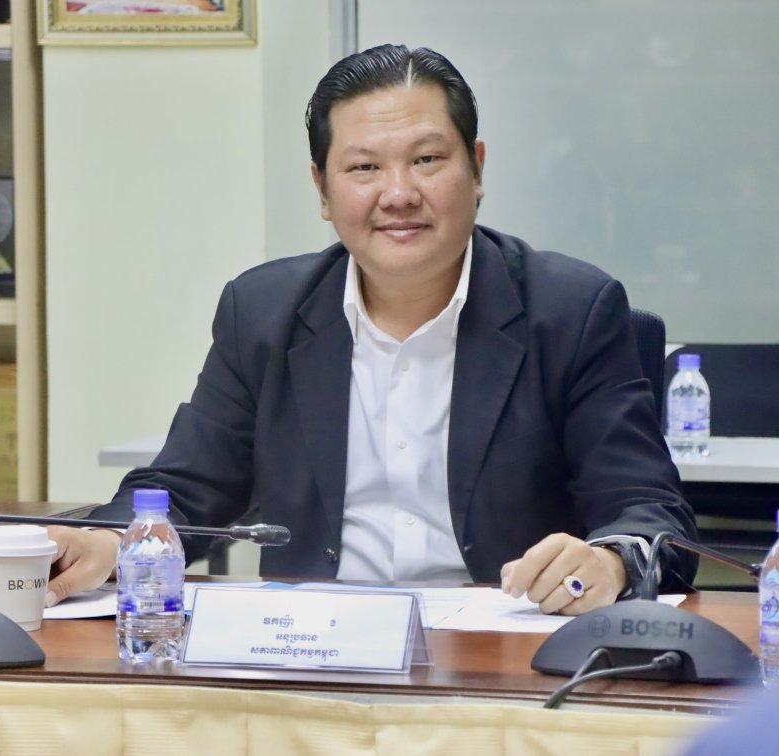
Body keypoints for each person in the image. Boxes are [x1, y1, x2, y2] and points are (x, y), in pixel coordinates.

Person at [45, 44, 697, 615]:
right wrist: (106, 540)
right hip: (314, 652)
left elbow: (650, 513)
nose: (399, 193)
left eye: (427, 159)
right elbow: (187, 489)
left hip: (507, 654)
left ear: (477, 169)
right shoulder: (263, 312)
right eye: (364, 168)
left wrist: (609, 562)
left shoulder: (571, 311)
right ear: (323, 191)